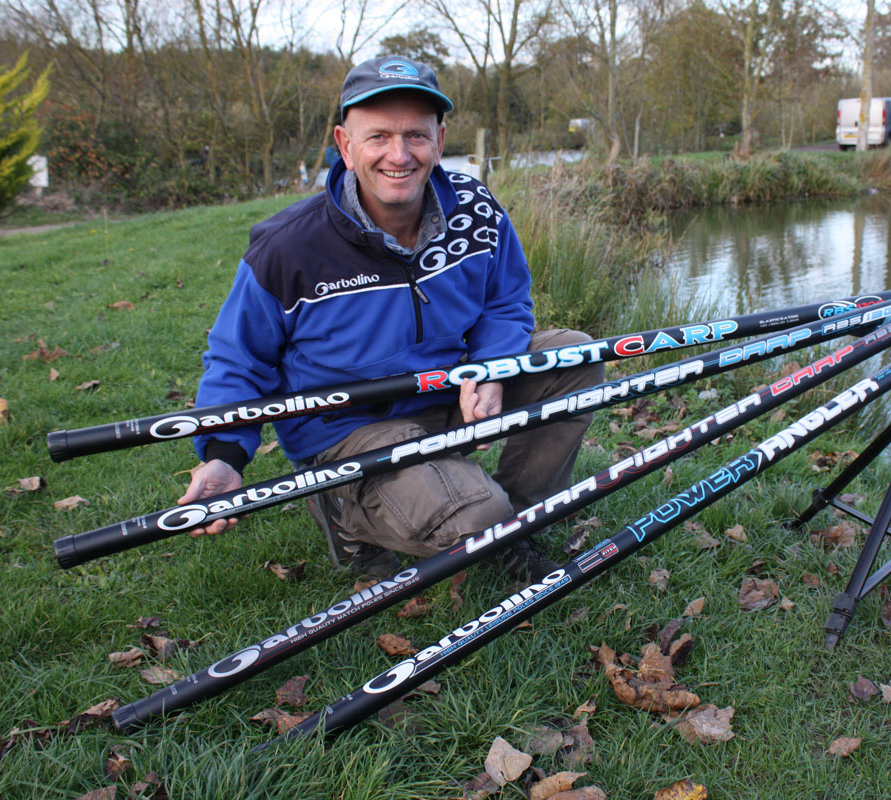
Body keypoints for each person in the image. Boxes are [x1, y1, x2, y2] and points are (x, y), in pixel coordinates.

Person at [176, 55, 604, 581]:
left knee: (575, 357)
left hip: (447, 391)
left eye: (415, 136)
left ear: (440, 141)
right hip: (351, 428)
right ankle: (342, 506)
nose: (399, 155)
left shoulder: (476, 209)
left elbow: (505, 300)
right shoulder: (288, 247)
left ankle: (514, 527)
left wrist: (492, 366)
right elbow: (239, 358)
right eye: (378, 136)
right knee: (479, 516)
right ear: (345, 144)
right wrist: (224, 456)